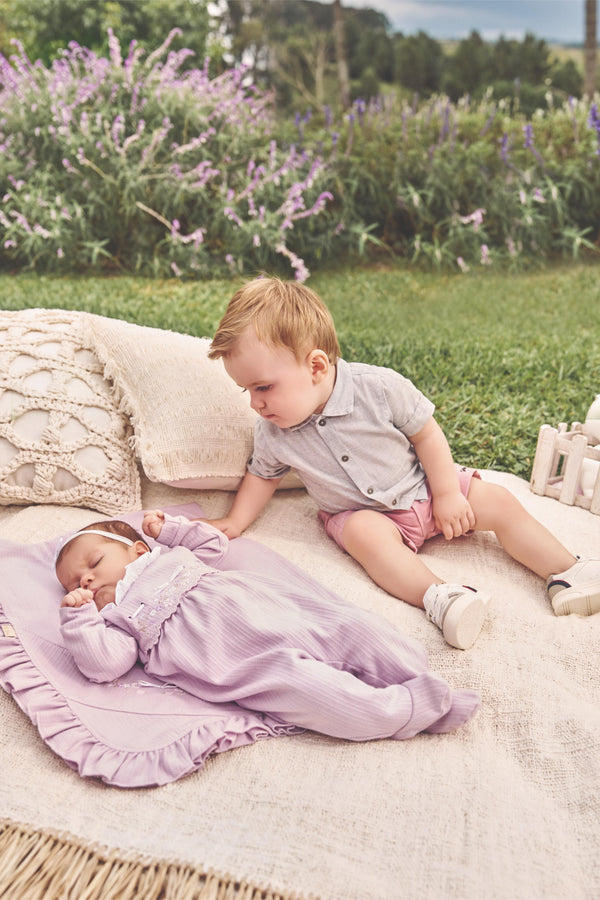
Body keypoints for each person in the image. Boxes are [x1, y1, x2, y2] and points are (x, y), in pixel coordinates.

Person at [205, 276, 600, 650]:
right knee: (364, 536)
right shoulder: (273, 432)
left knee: (497, 501)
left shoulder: (377, 388)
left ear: (316, 367)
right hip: (364, 515)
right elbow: (262, 476)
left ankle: (568, 572)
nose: (255, 403)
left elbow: (427, 434)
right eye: (247, 390)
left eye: (263, 388)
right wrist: (235, 522)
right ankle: (441, 597)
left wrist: (446, 493)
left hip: (423, 490)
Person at [54, 513, 480, 742]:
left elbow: (215, 545)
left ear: (138, 550)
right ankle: (404, 710)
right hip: (235, 661)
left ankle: (408, 667)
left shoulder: (166, 555)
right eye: (75, 584)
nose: (86, 581)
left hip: (269, 609)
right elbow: (105, 664)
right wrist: (79, 618)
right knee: (313, 692)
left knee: (349, 626)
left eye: (93, 565)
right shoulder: (114, 618)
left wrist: (175, 529)